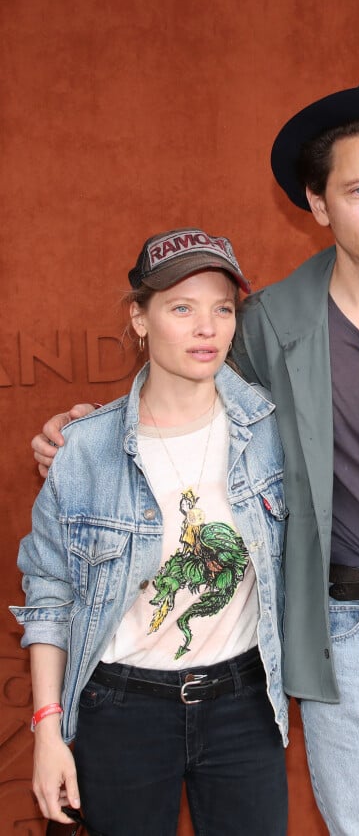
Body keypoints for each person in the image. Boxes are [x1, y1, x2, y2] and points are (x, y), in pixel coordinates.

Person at [31, 76, 359, 836]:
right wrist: (87, 431)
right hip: (344, 632)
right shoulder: (268, 324)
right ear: (318, 204)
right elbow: (186, 404)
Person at [12, 229, 289, 836]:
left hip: (243, 704)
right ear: (140, 318)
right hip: (122, 711)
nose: (206, 328)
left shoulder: (273, 431)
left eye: (221, 309)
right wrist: (48, 729)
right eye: (181, 308)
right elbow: (50, 597)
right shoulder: (84, 450)